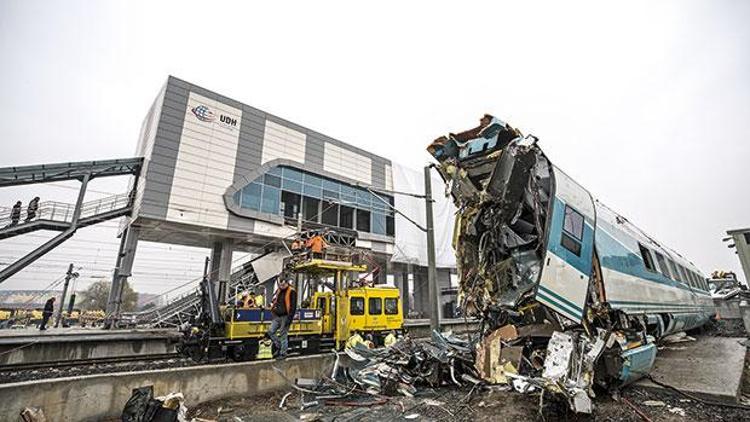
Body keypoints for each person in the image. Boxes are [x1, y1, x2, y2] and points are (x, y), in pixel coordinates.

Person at [267, 276, 297, 359]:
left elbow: (293, 306)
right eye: (280, 285)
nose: (281, 286)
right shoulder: (279, 291)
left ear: (287, 283)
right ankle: (280, 346)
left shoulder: (292, 291)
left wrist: (289, 319)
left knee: (283, 334)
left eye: (283, 285)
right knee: (270, 331)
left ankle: (283, 353)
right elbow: (275, 301)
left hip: (285, 316)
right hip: (277, 316)